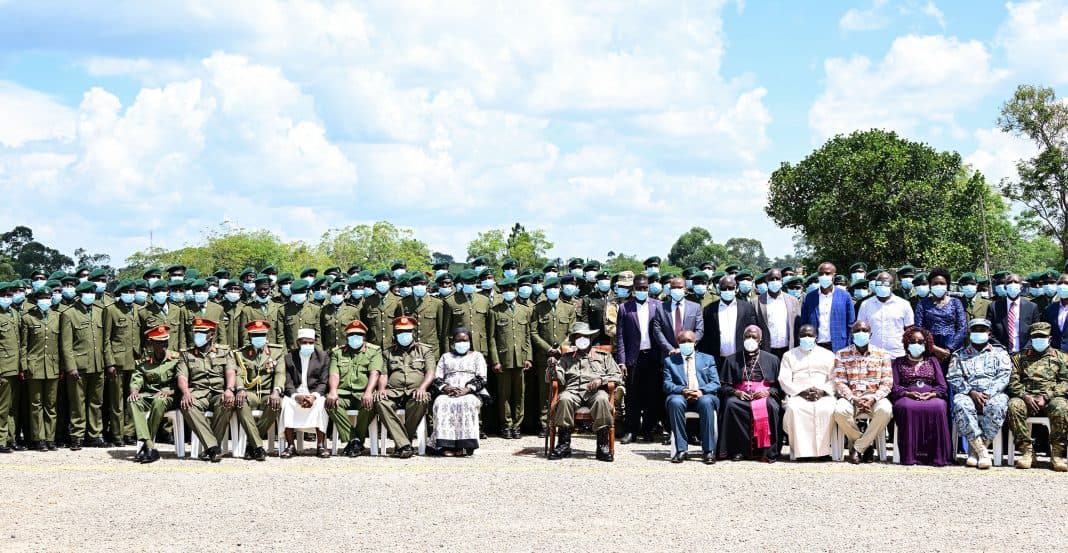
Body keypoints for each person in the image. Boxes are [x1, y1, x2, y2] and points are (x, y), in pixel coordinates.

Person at [177, 317, 267, 463]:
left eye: (202, 332)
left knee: (227, 402)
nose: (197, 335)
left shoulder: (223, 352)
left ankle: (211, 448)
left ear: (211, 335)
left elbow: (231, 372)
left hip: (219, 392)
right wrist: (186, 393)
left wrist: (230, 389)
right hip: (198, 392)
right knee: (187, 405)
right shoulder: (187, 354)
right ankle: (213, 447)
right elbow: (182, 376)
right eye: (196, 332)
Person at [548, 322, 622, 462]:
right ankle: (564, 445)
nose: (582, 339)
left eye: (585, 336)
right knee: (564, 399)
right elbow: (557, 377)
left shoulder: (604, 356)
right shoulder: (566, 358)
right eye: (578, 337)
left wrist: (601, 380)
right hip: (573, 391)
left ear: (590, 338)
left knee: (602, 399)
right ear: (575, 340)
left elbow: (617, 375)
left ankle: (602, 446)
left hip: (595, 392)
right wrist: (552, 367)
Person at [947, 318, 1011, 470]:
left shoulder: (999, 353)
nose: (979, 333)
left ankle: (977, 450)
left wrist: (988, 394)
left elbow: (1004, 375)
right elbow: (953, 377)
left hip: (993, 393)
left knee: (999, 405)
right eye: (975, 330)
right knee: (960, 403)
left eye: (982, 330)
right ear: (970, 333)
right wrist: (971, 392)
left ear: (989, 333)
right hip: (968, 392)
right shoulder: (959, 355)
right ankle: (982, 451)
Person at [1007, 322, 1068, 471]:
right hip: (1026, 397)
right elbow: (1012, 382)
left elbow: (1065, 382)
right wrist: (1025, 396)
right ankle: (1027, 452)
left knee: (1061, 407)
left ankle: (1057, 454)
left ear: (1050, 338)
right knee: (1013, 405)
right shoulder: (1019, 357)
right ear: (1031, 338)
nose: (1039, 339)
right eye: (1036, 337)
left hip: (1051, 398)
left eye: (1042, 336)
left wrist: (1047, 396)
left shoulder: (1061, 357)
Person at [374, 316, 436, 459]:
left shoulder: (425, 350)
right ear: (396, 334)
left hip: (416, 392)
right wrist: (382, 389)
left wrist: (423, 388)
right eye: (401, 332)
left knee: (422, 400)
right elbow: (383, 374)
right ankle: (405, 444)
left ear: (413, 332)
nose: (404, 335)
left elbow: (430, 372)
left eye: (408, 331)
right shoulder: (387, 353)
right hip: (393, 392)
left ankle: (401, 444)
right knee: (380, 401)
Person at [718, 325, 783, 462]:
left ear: (760, 340)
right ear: (743, 338)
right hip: (741, 396)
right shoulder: (731, 359)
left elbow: (779, 387)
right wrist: (736, 392)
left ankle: (766, 451)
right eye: (747, 336)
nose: (750, 339)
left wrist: (768, 392)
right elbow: (723, 386)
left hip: (763, 396)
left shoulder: (772, 359)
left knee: (772, 406)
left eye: (754, 337)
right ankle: (737, 451)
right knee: (730, 404)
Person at [833, 320, 894, 464]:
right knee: (839, 411)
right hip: (852, 398)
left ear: (870, 334)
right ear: (852, 334)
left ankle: (858, 447)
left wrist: (873, 398)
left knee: (886, 410)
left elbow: (887, 382)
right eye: (857, 331)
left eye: (864, 331)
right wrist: (853, 399)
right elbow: (840, 382)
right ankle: (866, 446)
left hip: (874, 398)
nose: (861, 334)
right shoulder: (842, 354)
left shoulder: (882, 354)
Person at [615, 274, 667, 443]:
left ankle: (648, 430)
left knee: (652, 395)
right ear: (633, 289)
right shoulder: (624, 308)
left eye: (645, 288)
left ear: (649, 288)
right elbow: (620, 337)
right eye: (639, 288)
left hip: (653, 356)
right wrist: (621, 361)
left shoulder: (658, 306)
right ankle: (631, 431)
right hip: (633, 358)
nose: (642, 291)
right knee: (633, 396)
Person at [889, 327, 952, 466]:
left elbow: (942, 386)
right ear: (907, 343)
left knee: (939, 406)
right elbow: (894, 387)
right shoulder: (898, 362)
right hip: (907, 395)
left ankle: (936, 456)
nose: (916, 344)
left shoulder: (933, 361)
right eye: (913, 341)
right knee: (906, 407)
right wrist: (907, 393)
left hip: (930, 395)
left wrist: (933, 394)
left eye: (920, 341)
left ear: (926, 344)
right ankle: (911, 456)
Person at [60, 280, 107, 449]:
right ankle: (77, 435)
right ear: (80, 295)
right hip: (78, 366)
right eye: (88, 292)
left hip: (98, 364)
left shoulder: (100, 311)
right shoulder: (69, 313)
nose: (91, 295)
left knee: (96, 402)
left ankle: (94, 435)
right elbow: (66, 344)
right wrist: (70, 367)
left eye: (93, 292)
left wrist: (107, 363)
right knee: (77, 402)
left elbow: (105, 340)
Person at [779, 324, 836, 460]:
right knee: (794, 408)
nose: (807, 338)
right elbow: (784, 379)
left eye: (810, 335)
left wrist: (822, 391)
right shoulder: (789, 355)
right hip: (798, 394)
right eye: (803, 335)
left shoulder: (828, 354)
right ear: (798, 337)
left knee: (827, 408)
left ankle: (823, 452)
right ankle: (801, 453)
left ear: (816, 337)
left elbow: (834, 378)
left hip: (823, 394)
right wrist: (801, 392)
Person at [530, 276, 577, 437]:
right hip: (544, 356)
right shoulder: (538, 308)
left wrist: (561, 349)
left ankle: (562, 424)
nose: (554, 291)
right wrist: (548, 348)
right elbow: (533, 332)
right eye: (551, 289)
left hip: (564, 357)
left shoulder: (569, 308)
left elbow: (572, 332)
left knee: (564, 390)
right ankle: (545, 424)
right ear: (546, 291)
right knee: (545, 392)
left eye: (557, 288)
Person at [663, 330, 720, 464]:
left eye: (689, 341)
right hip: (681, 396)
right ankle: (681, 450)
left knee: (706, 402)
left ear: (695, 342)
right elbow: (667, 384)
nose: (686, 344)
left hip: (703, 395)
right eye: (682, 342)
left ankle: (708, 451)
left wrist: (701, 391)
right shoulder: (670, 361)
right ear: (678, 343)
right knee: (675, 402)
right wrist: (682, 390)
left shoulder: (707, 359)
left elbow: (715, 382)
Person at [326, 320, 382, 457]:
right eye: (352, 335)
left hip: (362, 393)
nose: (355, 337)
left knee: (370, 403)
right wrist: (333, 391)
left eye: (358, 334)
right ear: (347, 337)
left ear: (364, 337)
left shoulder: (374, 351)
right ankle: (355, 440)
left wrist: (369, 392)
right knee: (329, 403)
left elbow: (375, 372)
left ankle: (354, 441)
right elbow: (334, 373)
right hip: (343, 393)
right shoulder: (338, 352)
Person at [430, 328, 488, 456]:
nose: (462, 343)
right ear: (453, 342)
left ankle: (465, 446)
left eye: (465, 340)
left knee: (466, 403)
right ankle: (445, 445)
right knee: (441, 403)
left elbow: (482, 378)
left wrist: (466, 389)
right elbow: (437, 377)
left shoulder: (477, 356)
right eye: (458, 341)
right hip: (448, 392)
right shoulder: (445, 357)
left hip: (470, 392)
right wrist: (446, 388)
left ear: (469, 341)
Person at [18, 284, 62, 451]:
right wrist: (24, 366)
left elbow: (61, 344)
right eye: (42, 298)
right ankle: (39, 438)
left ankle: (50, 438)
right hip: (34, 366)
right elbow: (23, 345)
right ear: (36, 300)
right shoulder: (28, 317)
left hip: (53, 365)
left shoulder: (57, 317)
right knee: (36, 404)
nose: (45, 300)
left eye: (47, 298)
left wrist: (62, 367)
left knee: (51, 404)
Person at [128, 324, 179, 463]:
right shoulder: (144, 362)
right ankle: (149, 445)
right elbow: (136, 380)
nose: (163, 344)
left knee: (159, 401)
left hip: (169, 398)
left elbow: (183, 381)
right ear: (152, 343)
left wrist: (170, 391)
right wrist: (134, 392)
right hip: (149, 396)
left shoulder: (176, 359)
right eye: (159, 341)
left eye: (165, 341)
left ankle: (146, 446)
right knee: (133, 400)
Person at [488, 277, 533, 438]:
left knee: (520, 394)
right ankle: (506, 425)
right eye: (506, 290)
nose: (509, 292)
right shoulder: (495, 311)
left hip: (520, 358)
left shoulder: (524, 310)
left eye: (512, 289)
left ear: (516, 291)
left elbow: (527, 335)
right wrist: (495, 361)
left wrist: (529, 357)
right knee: (504, 394)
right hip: (504, 359)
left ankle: (517, 426)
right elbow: (491, 337)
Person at [232, 320, 285, 446]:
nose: (258, 338)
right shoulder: (241, 353)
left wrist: (276, 391)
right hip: (250, 393)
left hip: (268, 393)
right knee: (240, 402)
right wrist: (240, 389)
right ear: (249, 337)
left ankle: (252, 444)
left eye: (261, 335)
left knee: (276, 403)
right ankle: (257, 445)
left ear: (266, 336)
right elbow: (238, 373)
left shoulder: (276, 352)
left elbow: (280, 373)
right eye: (255, 335)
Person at [279, 328, 331, 458]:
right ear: (298, 342)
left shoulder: (323, 357)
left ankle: (320, 445)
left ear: (314, 342)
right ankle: (290, 445)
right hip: (296, 394)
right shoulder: (289, 357)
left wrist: (313, 396)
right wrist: (296, 396)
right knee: (287, 404)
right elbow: (288, 382)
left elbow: (323, 382)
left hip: (314, 394)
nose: (307, 345)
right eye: (304, 342)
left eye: (310, 342)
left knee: (320, 404)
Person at [699, 275, 758, 370]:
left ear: (736, 288)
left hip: (741, 358)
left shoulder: (747, 308)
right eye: (724, 288)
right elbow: (706, 336)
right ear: (719, 289)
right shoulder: (709, 309)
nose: (727, 291)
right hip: (717, 359)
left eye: (730, 288)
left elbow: (753, 331)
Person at [856, 270, 914, 359]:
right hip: (872, 355)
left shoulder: (904, 304)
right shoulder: (865, 305)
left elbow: (909, 330)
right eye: (879, 283)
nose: (882, 286)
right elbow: (860, 329)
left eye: (886, 283)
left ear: (892, 285)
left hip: (897, 355)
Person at [914, 267, 967, 363]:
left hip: (953, 350)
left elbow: (962, 328)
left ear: (947, 285)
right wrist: (934, 348)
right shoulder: (923, 304)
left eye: (942, 283)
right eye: (935, 283)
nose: (939, 285)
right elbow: (919, 329)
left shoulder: (956, 302)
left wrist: (948, 349)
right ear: (930, 285)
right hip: (930, 349)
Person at [801, 262, 856, 352]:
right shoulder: (809, 297)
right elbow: (804, 322)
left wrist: (849, 345)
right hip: (815, 346)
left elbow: (851, 323)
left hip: (840, 346)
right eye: (821, 274)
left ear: (834, 275)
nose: (824, 276)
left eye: (827, 273)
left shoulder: (845, 296)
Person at [986, 273, 1040, 354]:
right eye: (1009, 282)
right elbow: (989, 331)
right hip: (1001, 353)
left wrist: (1027, 349)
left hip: (1025, 353)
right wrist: (1001, 349)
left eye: (1016, 282)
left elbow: (1035, 331)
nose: (1013, 284)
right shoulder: (994, 307)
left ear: (1021, 287)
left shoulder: (1032, 307)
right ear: (1005, 287)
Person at [755, 268, 800, 358]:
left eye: (777, 278)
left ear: (781, 280)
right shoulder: (756, 302)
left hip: (788, 350)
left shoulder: (793, 301)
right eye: (771, 279)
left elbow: (797, 326)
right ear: (767, 281)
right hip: (767, 350)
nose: (775, 281)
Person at [654, 277, 704, 358]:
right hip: (669, 354)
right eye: (674, 287)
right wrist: (670, 349)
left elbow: (699, 330)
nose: (676, 290)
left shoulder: (695, 307)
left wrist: (687, 346)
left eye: (680, 287)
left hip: (690, 353)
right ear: (670, 289)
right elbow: (657, 331)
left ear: (685, 289)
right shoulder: (661, 308)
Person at [1044, 272, 1068, 352]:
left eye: (1066, 283)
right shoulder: (1049, 309)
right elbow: (1047, 332)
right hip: (1055, 355)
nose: (1063, 286)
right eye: (1060, 283)